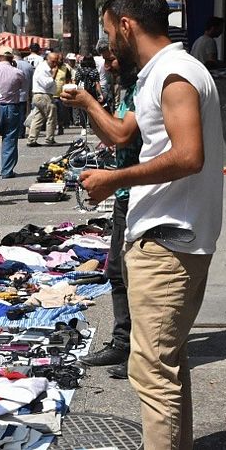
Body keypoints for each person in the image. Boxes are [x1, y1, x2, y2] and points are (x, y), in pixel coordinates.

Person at [61, 0, 223, 450]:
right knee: (164, 366)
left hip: (168, 241)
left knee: (152, 372)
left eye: (110, 31)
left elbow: (189, 155)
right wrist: (90, 104)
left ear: (127, 26)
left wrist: (117, 180)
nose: (109, 42)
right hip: (167, 236)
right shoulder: (156, 74)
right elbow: (120, 134)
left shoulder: (174, 73)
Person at [75, 59, 139, 380]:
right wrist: (90, 108)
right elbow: (112, 136)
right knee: (115, 271)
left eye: (115, 54)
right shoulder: (128, 88)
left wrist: (89, 102)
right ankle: (122, 342)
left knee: (136, 278)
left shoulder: (146, 85)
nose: (111, 64)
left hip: (141, 195)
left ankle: (141, 353)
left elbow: (123, 135)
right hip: (125, 194)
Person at [0, 45, 25, 178]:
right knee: (10, 138)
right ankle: (7, 170)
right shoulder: (18, 72)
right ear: (12, 58)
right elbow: (21, 87)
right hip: (12, 107)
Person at [27, 51, 60, 147]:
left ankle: (32, 139)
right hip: (43, 95)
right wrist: (54, 75)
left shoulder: (47, 68)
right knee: (51, 116)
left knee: (38, 117)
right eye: (53, 61)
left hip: (43, 95)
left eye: (56, 62)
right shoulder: (43, 69)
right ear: (47, 59)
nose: (55, 64)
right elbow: (46, 84)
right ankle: (49, 139)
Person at [74, 54, 103, 131]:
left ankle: (83, 127)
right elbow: (97, 83)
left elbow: (76, 81)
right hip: (91, 92)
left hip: (81, 91)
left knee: (82, 109)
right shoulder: (94, 71)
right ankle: (91, 126)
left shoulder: (79, 70)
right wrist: (100, 94)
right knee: (91, 109)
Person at [14, 53, 34, 138]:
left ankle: (15, 131)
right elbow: (32, 80)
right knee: (22, 114)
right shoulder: (29, 66)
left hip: (13, 95)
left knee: (14, 114)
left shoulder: (13, 64)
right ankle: (21, 133)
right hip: (24, 94)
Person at [52, 54, 73, 135]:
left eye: (61, 59)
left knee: (61, 113)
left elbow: (68, 79)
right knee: (53, 114)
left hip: (61, 94)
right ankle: (51, 129)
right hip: (52, 94)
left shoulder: (65, 68)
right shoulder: (52, 67)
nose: (60, 61)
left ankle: (61, 127)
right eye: (59, 59)